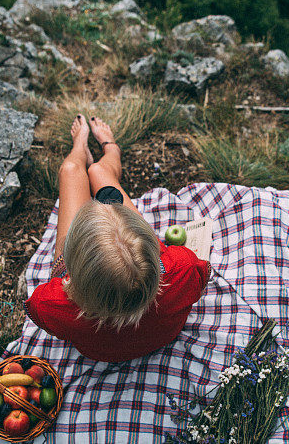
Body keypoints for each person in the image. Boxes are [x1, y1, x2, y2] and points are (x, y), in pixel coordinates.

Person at [25, 115, 210, 362]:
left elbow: (40, 313)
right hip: (160, 328)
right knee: (100, 171)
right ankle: (109, 148)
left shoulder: (53, 303)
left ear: (76, 272)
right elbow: (201, 274)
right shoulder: (183, 269)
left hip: (101, 348)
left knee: (70, 171)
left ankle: (80, 148)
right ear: (150, 245)